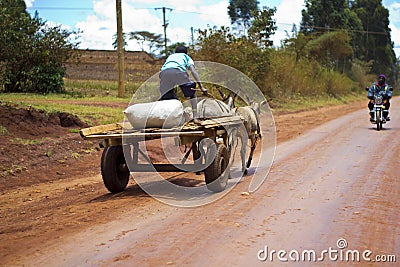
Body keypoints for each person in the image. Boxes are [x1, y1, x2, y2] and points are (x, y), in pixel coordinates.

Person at [159, 45, 207, 121]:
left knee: (168, 97)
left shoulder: (171, 57)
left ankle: (166, 118)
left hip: (164, 73)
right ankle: (195, 117)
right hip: (178, 72)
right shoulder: (186, 57)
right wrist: (201, 87)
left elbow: (165, 69)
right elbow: (193, 71)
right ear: (186, 53)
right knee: (192, 92)